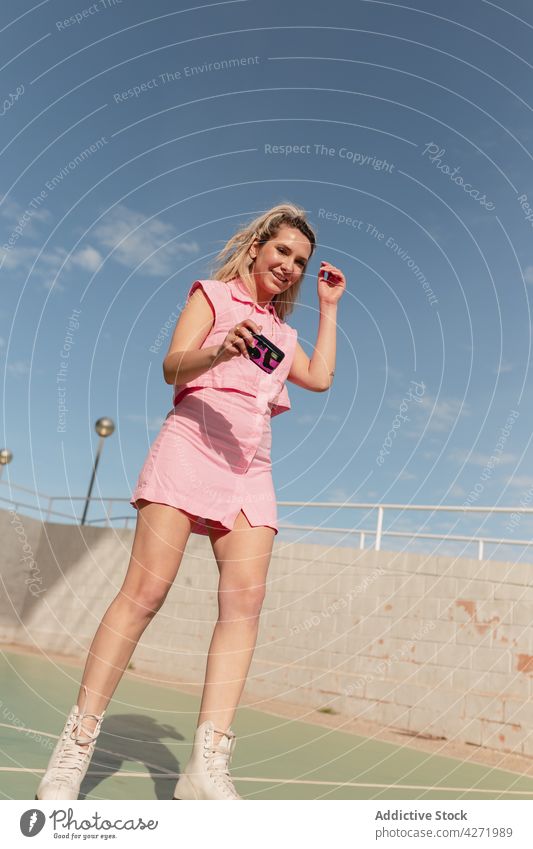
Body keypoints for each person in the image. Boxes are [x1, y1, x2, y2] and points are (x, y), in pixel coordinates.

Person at [36, 202, 346, 801]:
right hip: (192, 443)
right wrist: (220, 351)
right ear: (257, 246)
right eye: (282, 251)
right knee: (146, 593)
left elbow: (321, 378)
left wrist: (329, 309)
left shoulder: (281, 334)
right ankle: (76, 747)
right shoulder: (212, 295)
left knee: (245, 604)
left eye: (300, 262)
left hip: (250, 464)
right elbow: (172, 366)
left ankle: (204, 769)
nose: (289, 266)